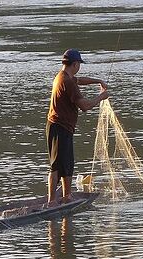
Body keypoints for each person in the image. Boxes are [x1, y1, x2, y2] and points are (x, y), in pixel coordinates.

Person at [46, 48, 109, 205]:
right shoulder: (67, 81)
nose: (79, 67)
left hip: (62, 127)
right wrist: (101, 96)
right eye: (79, 64)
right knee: (56, 165)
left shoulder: (64, 76)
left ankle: (67, 196)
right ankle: (51, 201)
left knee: (67, 164)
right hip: (59, 127)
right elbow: (85, 106)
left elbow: (80, 80)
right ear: (74, 64)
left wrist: (98, 81)